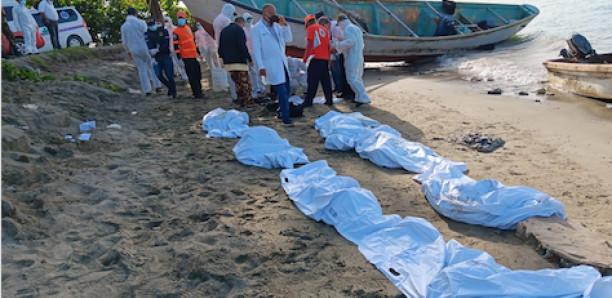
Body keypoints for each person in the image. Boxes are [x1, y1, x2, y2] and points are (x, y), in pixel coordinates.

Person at [251, 4, 294, 125]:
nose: (274, 16)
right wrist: (261, 67)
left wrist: (285, 25)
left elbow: (289, 39)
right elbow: (257, 50)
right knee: (281, 91)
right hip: (270, 64)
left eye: (275, 13)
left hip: (282, 63)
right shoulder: (257, 29)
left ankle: (281, 112)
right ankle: (286, 117)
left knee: (287, 89)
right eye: (271, 13)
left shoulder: (277, 27)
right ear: (264, 14)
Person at [218, 17, 259, 110]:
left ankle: (241, 101)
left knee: (237, 83)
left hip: (228, 62)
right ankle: (248, 102)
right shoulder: (239, 30)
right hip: (239, 61)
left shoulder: (224, 31)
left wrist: (223, 58)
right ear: (241, 22)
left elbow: (220, 47)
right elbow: (242, 45)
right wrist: (249, 59)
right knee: (245, 83)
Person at [335, 14, 371, 107]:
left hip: (352, 55)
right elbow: (362, 44)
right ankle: (359, 97)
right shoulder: (356, 28)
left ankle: (363, 97)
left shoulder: (348, 29)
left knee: (351, 78)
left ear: (340, 22)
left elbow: (350, 42)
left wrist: (337, 44)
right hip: (359, 54)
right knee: (357, 77)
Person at [121, 7, 158, 95]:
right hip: (144, 47)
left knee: (141, 70)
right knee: (151, 66)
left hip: (134, 49)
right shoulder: (141, 23)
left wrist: (128, 52)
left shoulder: (124, 26)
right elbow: (147, 36)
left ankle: (147, 90)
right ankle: (157, 86)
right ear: (135, 14)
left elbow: (124, 42)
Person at [173, 10, 206, 99]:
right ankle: (197, 94)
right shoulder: (176, 32)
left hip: (193, 55)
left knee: (198, 74)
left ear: (185, 19)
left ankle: (199, 91)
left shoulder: (188, 28)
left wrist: (199, 53)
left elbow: (193, 42)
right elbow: (176, 46)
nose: (181, 20)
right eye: (179, 18)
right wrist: (179, 58)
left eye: (182, 18)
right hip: (185, 57)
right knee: (192, 76)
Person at [301, 14, 333, 107]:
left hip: (316, 58)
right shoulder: (325, 30)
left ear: (307, 24)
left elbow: (309, 44)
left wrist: (305, 59)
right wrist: (329, 58)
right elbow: (328, 46)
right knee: (326, 81)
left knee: (312, 81)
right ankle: (329, 100)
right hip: (325, 58)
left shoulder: (312, 28)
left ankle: (308, 101)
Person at [213, 3, 238, 102]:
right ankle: (236, 95)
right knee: (234, 72)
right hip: (229, 48)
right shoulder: (225, 20)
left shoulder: (217, 18)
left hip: (221, 47)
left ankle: (234, 94)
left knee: (229, 71)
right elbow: (230, 35)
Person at [146, 18, 176, 98]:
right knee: (158, 74)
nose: (152, 26)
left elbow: (166, 43)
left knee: (169, 74)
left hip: (165, 55)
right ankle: (170, 87)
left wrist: (158, 50)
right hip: (156, 57)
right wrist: (152, 51)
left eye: (153, 24)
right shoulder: (147, 33)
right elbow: (148, 43)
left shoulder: (163, 31)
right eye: (150, 25)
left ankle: (174, 92)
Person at [242, 13, 266, 99]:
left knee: (259, 70)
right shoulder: (243, 30)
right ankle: (255, 89)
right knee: (252, 72)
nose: (248, 21)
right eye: (247, 19)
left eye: (250, 19)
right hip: (249, 53)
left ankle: (261, 87)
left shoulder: (255, 28)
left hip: (256, 52)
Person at [163, 16, 188, 80]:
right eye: (165, 21)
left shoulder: (175, 29)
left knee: (181, 61)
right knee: (176, 62)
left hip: (178, 48)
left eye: (167, 21)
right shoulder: (165, 30)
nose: (166, 23)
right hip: (170, 49)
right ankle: (179, 73)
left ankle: (185, 74)